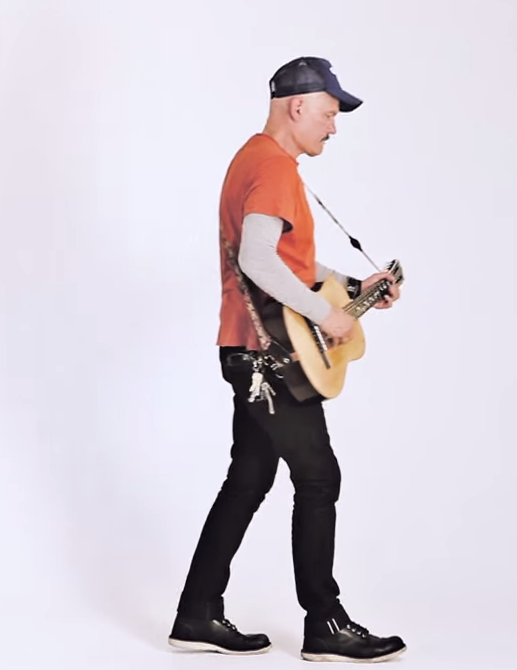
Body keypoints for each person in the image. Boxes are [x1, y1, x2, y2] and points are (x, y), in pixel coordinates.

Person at [167, 56, 405, 664]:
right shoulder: (273, 167)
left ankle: (196, 614)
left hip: (249, 351)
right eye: (328, 113)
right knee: (319, 478)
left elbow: (288, 262)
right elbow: (257, 261)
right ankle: (325, 624)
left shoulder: (256, 159)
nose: (334, 126)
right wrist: (327, 314)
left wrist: (352, 287)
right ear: (297, 106)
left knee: (248, 479)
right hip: (268, 359)